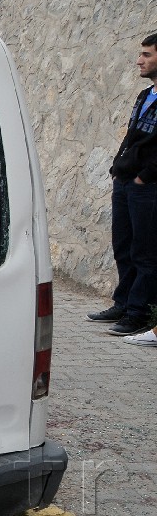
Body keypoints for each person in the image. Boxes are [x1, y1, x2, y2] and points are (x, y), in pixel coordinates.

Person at [91, 32, 157, 338]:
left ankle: (137, 313)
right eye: (140, 54)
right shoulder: (145, 96)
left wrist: (145, 176)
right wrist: (118, 170)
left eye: (146, 55)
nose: (139, 60)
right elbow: (132, 137)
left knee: (145, 251)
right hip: (126, 181)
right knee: (123, 246)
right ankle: (123, 302)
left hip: (147, 186)